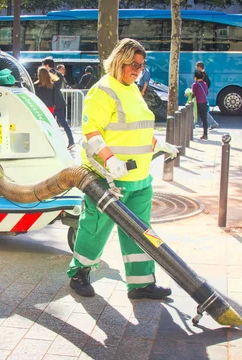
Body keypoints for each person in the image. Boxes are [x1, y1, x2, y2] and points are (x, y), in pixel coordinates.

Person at [68, 38, 178, 299]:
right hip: (109, 180)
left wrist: (158, 145)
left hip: (139, 179)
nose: (138, 70)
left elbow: (137, 129)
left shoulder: (132, 90)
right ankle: (79, 274)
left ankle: (141, 284)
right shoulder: (103, 90)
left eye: (141, 65)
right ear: (120, 61)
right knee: (95, 229)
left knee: (141, 234)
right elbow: (91, 132)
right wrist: (109, 160)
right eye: (134, 64)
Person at [42, 57, 75, 149]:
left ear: (47, 65)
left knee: (50, 123)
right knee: (63, 123)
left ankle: (53, 143)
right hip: (59, 101)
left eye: (43, 65)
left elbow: (52, 88)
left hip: (52, 102)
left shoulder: (49, 74)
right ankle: (71, 141)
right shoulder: (59, 74)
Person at [196, 61, 219, 130]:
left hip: (200, 95)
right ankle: (211, 123)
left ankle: (212, 123)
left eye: (196, 67)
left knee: (200, 110)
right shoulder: (205, 73)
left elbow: (200, 85)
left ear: (199, 67)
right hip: (203, 94)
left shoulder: (201, 74)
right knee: (201, 110)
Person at [192, 70, 209, 140]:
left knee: (192, 118)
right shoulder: (205, 84)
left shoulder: (195, 85)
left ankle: (189, 134)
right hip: (204, 103)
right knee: (204, 120)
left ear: (195, 77)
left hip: (197, 104)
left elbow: (193, 94)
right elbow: (207, 93)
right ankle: (205, 134)